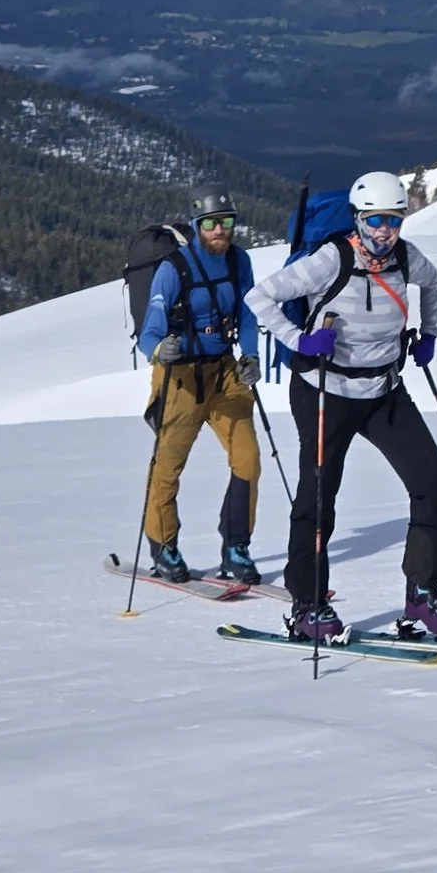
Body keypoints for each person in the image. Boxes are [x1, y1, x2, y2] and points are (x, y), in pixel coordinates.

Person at [247, 168, 437, 644]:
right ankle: (308, 604)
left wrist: (431, 334)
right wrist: (300, 339)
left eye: (394, 220)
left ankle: (422, 591)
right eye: (376, 220)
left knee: (432, 477)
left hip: (383, 390)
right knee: (319, 497)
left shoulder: (408, 259)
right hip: (325, 390)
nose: (385, 231)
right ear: (358, 218)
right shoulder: (330, 259)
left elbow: (434, 284)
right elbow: (260, 296)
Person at [136, 195, 268, 585]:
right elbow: (150, 331)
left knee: (248, 458)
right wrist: (160, 350)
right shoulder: (173, 268)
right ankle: (163, 546)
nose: (219, 231)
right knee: (168, 464)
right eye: (210, 223)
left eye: (225, 222)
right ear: (196, 225)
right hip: (181, 377)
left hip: (225, 372)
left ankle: (236, 546)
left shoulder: (238, 261)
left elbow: (246, 312)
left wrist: (252, 356)